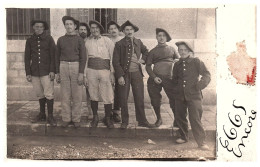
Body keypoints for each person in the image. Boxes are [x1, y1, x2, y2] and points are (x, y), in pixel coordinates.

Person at [113, 20, 154, 129]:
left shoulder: (138, 42)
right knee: (123, 98)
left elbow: (146, 52)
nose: (129, 31)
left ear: (134, 31)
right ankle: (124, 121)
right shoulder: (119, 44)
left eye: (131, 29)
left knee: (139, 97)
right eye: (127, 30)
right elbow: (115, 62)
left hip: (137, 74)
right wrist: (120, 76)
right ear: (123, 31)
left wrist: (143, 60)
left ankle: (142, 120)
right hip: (125, 74)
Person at [172, 41, 211, 150]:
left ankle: (201, 142)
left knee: (195, 118)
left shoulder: (196, 62)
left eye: (185, 50)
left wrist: (199, 85)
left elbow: (207, 75)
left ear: (189, 51)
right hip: (180, 95)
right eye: (180, 50)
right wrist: (176, 90)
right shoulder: (177, 64)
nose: (183, 52)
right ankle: (184, 137)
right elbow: (175, 79)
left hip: (194, 95)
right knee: (180, 117)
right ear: (178, 51)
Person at [55, 16, 87, 128]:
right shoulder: (60, 40)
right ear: (65, 26)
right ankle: (66, 118)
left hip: (76, 66)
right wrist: (57, 73)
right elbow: (56, 57)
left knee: (77, 95)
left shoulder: (79, 40)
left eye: (71, 24)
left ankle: (76, 118)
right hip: (63, 66)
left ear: (75, 26)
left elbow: (83, 58)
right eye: (67, 24)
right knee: (65, 94)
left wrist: (81, 73)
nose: (68, 26)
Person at [25, 20, 56, 126]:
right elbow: (27, 58)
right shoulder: (30, 40)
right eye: (36, 26)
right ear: (33, 27)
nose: (38, 28)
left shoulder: (49, 39)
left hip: (46, 71)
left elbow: (53, 56)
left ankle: (50, 116)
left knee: (49, 93)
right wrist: (28, 72)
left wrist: (52, 70)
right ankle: (42, 114)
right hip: (34, 72)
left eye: (41, 27)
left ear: (44, 28)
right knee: (39, 94)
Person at [84, 20, 115, 128]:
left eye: (96, 28)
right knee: (93, 94)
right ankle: (95, 117)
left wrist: (112, 73)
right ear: (90, 30)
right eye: (92, 28)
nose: (94, 30)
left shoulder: (107, 41)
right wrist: (85, 75)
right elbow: (85, 59)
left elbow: (112, 58)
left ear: (100, 29)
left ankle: (107, 118)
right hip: (91, 70)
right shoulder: (87, 41)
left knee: (107, 94)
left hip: (105, 71)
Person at [146, 28, 179, 127]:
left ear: (167, 38)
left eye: (163, 36)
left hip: (169, 78)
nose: (161, 38)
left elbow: (178, 58)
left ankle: (177, 120)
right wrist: (154, 77)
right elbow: (148, 66)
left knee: (174, 98)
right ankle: (159, 119)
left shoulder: (172, 49)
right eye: (159, 35)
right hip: (156, 79)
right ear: (156, 37)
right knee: (155, 99)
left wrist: (176, 60)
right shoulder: (153, 51)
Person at [105, 20, 123, 123]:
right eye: (110, 29)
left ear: (118, 29)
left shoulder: (122, 40)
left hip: (119, 68)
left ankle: (116, 112)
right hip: (108, 68)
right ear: (108, 31)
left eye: (115, 28)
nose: (113, 30)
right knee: (109, 89)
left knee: (119, 91)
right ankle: (108, 112)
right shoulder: (107, 40)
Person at [78, 22, 92, 120]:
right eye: (81, 29)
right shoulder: (76, 40)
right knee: (76, 93)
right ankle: (76, 113)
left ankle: (90, 112)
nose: (83, 31)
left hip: (88, 68)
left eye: (85, 30)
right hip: (76, 68)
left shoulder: (90, 41)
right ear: (78, 31)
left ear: (87, 31)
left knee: (89, 92)